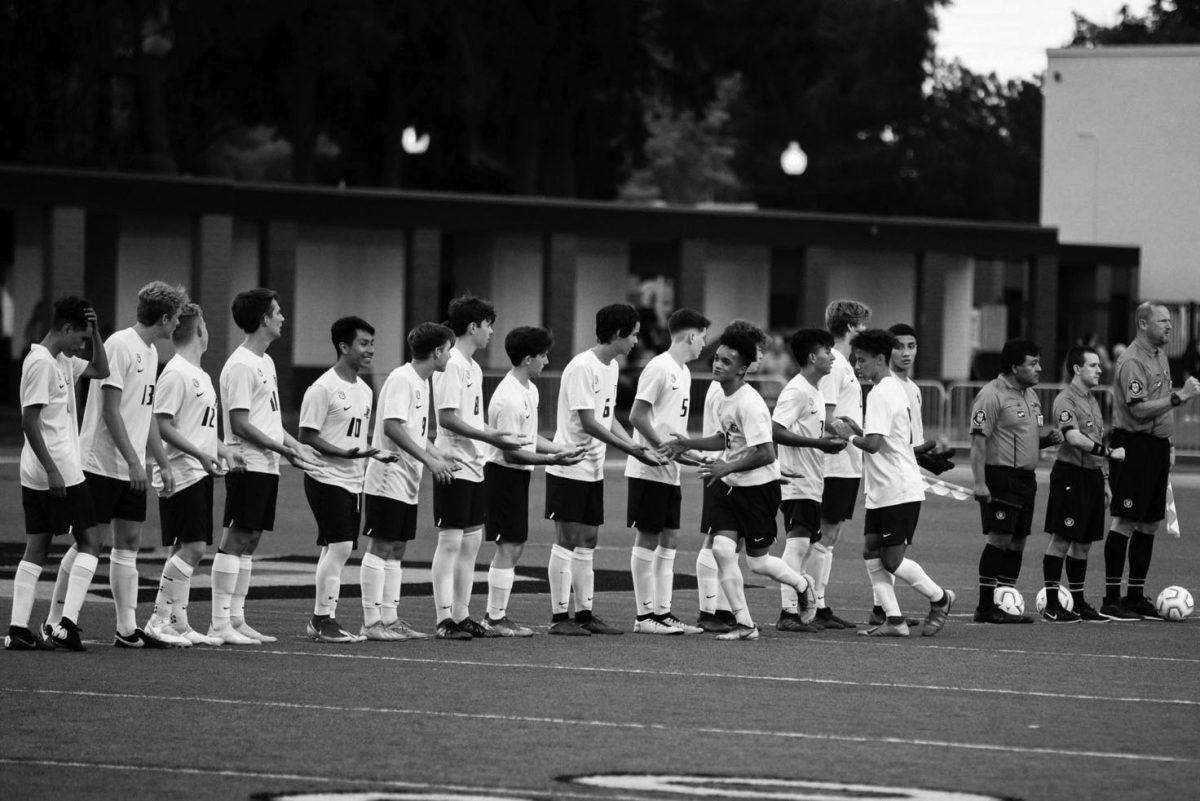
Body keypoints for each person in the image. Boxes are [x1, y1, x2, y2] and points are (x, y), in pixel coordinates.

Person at [665, 322, 816, 641]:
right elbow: (725, 438)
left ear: (743, 369)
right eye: (717, 358)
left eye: (726, 361)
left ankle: (802, 585)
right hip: (730, 485)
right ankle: (745, 624)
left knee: (758, 564)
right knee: (721, 549)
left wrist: (724, 467)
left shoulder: (750, 403)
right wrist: (689, 443)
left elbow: (765, 453)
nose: (717, 364)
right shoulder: (722, 394)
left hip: (758, 491)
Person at [71, 280, 188, 648]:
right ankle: (61, 618)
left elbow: (146, 413)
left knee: (130, 542)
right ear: (166, 318)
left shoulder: (151, 353)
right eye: (177, 319)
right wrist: (133, 462)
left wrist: (161, 461)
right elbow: (110, 412)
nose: (178, 326)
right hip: (101, 462)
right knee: (89, 542)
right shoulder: (121, 345)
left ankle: (126, 629)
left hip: (130, 465)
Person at [544, 303, 661, 636]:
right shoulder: (582, 367)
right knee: (567, 539)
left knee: (589, 539)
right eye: (634, 334)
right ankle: (559, 617)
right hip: (570, 465)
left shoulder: (610, 367)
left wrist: (635, 445)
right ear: (617, 334)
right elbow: (588, 422)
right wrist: (628, 449)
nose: (636, 342)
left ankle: (584, 614)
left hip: (593, 468)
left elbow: (608, 418)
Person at [833, 329, 954, 637]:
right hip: (883, 487)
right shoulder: (890, 388)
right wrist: (856, 427)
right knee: (871, 551)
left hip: (897, 487)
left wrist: (846, 435)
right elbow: (883, 438)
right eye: (855, 360)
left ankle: (939, 598)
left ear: (880, 359)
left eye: (862, 360)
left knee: (891, 559)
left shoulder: (881, 392)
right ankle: (894, 620)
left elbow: (873, 444)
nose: (858, 367)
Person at [217, 288, 322, 644]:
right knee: (236, 537)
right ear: (263, 319)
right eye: (277, 312)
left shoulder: (266, 361)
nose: (282, 317)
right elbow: (241, 423)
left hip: (267, 462)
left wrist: (295, 446)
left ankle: (237, 618)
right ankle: (220, 622)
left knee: (251, 538)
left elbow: (270, 420)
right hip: (246, 463)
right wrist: (283, 449)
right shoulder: (241, 364)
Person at [7, 297, 108, 651]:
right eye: (79, 336)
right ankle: (65, 624)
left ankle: (18, 629)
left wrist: (96, 336)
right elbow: (29, 421)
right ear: (65, 329)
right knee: (91, 542)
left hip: (46, 468)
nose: (81, 344)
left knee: (38, 546)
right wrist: (52, 470)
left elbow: (101, 371)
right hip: (58, 469)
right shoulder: (41, 364)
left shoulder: (62, 359)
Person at [144, 303, 249, 646]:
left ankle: (178, 621)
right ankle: (158, 620)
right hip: (181, 472)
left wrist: (221, 449)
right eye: (205, 324)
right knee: (192, 549)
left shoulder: (200, 374)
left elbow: (198, 429)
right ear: (198, 331)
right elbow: (162, 424)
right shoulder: (175, 372)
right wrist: (201, 454)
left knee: (186, 547)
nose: (208, 330)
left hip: (198, 470)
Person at [431, 295, 529, 639]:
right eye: (488, 325)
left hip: (474, 464)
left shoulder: (471, 366)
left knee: (470, 544)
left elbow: (471, 419)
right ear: (473, 327)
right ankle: (445, 619)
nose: (491, 333)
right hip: (453, 462)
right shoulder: (452, 362)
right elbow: (447, 418)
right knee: (451, 541)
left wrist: (494, 435)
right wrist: (492, 437)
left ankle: (462, 614)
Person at [299, 316, 397, 644]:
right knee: (340, 546)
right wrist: (347, 454)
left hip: (354, 480)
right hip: (324, 476)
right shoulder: (323, 388)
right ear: (344, 346)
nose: (370, 350)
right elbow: (307, 436)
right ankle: (322, 619)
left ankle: (321, 619)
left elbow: (354, 437)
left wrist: (370, 453)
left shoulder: (366, 390)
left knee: (334, 547)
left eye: (372, 344)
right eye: (363, 344)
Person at [482, 326, 585, 636]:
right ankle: (495, 618)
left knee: (514, 544)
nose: (547, 361)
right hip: (503, 475)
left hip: (516, 476)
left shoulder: (529, 389)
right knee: (510, 545)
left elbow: (529, 438)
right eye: (543, 355)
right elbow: (512, 453)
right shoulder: (510, 398)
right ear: (528, 358)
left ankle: (496, 616)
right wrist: (552, 460)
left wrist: (558, 447)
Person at [361, 323, 459, 640]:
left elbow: (415, 432)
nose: (450, 355)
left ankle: (390, 619)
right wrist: (428, 459)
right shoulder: (402, 379)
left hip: (407, 479)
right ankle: (371, 621)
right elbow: (392, 426)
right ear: (437, 352)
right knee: (382, 545)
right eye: (448, 349)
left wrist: (437, 454)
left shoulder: (422, 381)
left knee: (398, 546)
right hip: (388, 476)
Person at [1102, 302, 1200, 619]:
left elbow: (1157, 409)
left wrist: (1168, 442)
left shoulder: (1159, 356)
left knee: (1149, 522)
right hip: (1133, 445)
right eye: (1163, 321)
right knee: (1126, 520)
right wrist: (1180, 397)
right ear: (1143, 324)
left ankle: (1134, 595)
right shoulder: (1131, 361)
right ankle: (1111, 598)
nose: (1169, 326)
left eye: (1170, 321)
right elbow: (1138, 409)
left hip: (1155, 446)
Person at [626, 308, 710, 635]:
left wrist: (689, 453)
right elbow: (637, 416)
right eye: (702, 336)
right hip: (649, 467)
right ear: (691, 335)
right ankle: (644, 616)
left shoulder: (683, 371)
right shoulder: (659, 368)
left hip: (669, 468)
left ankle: (663, 612)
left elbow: (675, 428)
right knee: (648, 536)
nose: (704, 343)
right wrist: (661, 447)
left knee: (670, 538)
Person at [969, 338, 1063, 624]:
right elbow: (978, 442)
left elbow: (1024, 438)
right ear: (1014, 367)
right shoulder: (991, 395)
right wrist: (979, 483)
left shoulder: (1030, 395)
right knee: (999, 538)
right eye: (1032, 363)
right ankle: (985, 608)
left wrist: (1046, 440)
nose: (1039, 368)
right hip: (1001, 477)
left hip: (1026, 478)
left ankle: (1004, 602)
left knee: (1018, 541)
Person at [693, 322, 770, 634]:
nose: (762, 356)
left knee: (727, 547)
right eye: (759, 350)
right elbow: (722, 437)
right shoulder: (722, 388)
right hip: (720, 470)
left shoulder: (738, 391)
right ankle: (710, 610)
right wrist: (720, 464)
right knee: (717, 543)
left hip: (729, 469)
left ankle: (724, 610)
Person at [1042, 346, 1125, 623]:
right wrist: (1109, 455)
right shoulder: (1066, 400)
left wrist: (1104, 479)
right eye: (1093, 365)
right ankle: (1053, 605)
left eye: (1099, 365)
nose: (1100, 370)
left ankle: (1078, 603)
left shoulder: (1092, 400)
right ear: (1077, 369)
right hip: (1070, 476)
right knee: (1062, 539)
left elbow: (1095, 437)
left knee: (1084, 543)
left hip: (1091, 477)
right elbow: (1074, 438)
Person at [771, 328, 846, 633]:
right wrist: (819, 444)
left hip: (813, 480)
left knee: (805, 543)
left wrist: (828, 439)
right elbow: (775, 430)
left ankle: (802, 610)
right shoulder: (797, 389)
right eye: (828, 351)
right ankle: (787, 612)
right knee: (798, 542)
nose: (832, 356)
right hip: (796, 479)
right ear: (813, 357)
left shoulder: (814, 390)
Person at [813, 299, 871, 629]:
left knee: (829, 535)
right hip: (834, 463)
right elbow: (826, 417)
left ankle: (817, 602)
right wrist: (858, 436)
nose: (864, 331)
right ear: (850, 326)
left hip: (846, 462)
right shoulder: (833, 362)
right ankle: (813, 603)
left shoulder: (842, 362)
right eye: (861, 324)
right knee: (825, 533)